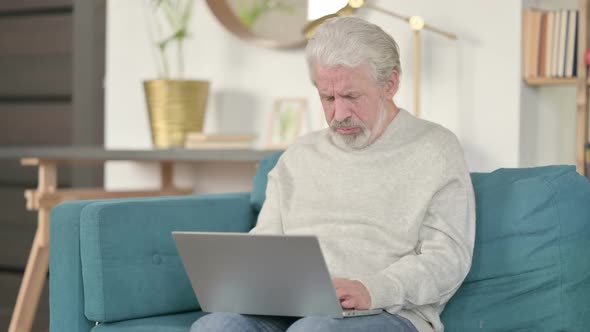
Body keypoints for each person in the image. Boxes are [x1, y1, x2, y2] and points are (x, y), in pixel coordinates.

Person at [191, 16, 475, 332]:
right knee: (216, 327)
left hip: (387, 311)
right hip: (289, 308)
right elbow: (264, 243)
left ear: (390, 84)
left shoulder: (435, 148)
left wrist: (373, 289)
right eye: (328, 98)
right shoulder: (299, 155)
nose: (338, 115)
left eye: (351, 97)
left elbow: (449, 259)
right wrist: (247, 284)